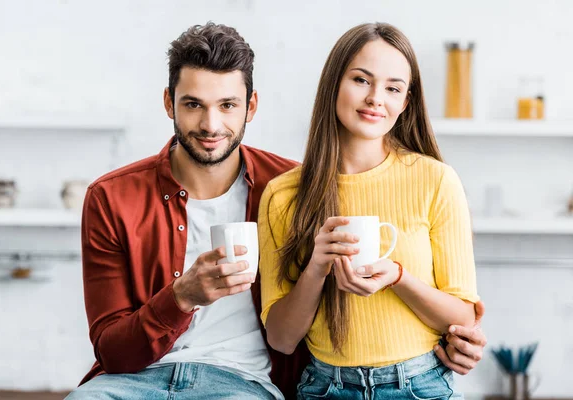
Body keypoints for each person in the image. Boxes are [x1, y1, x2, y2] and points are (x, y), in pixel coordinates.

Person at [67, 22, 486, 400]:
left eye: (228, 105)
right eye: (194, 104)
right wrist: (181, 297)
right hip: (137, 379)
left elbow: (458, 311)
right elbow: (111, 349)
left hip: (244, 382)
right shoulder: (114, 197)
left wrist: (452, 336)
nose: (211, 125)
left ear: (251, 107)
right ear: (168, 103)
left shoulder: (288, 185)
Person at [259, 22, 484, 399]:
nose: (376, 98)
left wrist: (398, 277)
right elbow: (282, 339)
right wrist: (316, 268)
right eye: (362, 80)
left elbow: (463, 317)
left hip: (422, 385)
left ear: (405, 102)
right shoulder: (283, 195)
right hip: (325, 387)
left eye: (393, 88)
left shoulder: (436, 180)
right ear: (334, 84)